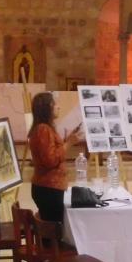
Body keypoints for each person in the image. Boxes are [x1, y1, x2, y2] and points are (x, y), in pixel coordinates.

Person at [27, 92, 83, 223]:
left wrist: (68, 140)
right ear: (47, 108)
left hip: (49, 187)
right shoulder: (43, 129)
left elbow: (52, 151)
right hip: (48, 188)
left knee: (54, 227)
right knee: (53, 230)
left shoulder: (45, 128)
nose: (58, 107)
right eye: (55, 104)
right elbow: (50, 160)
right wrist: (69, 143)